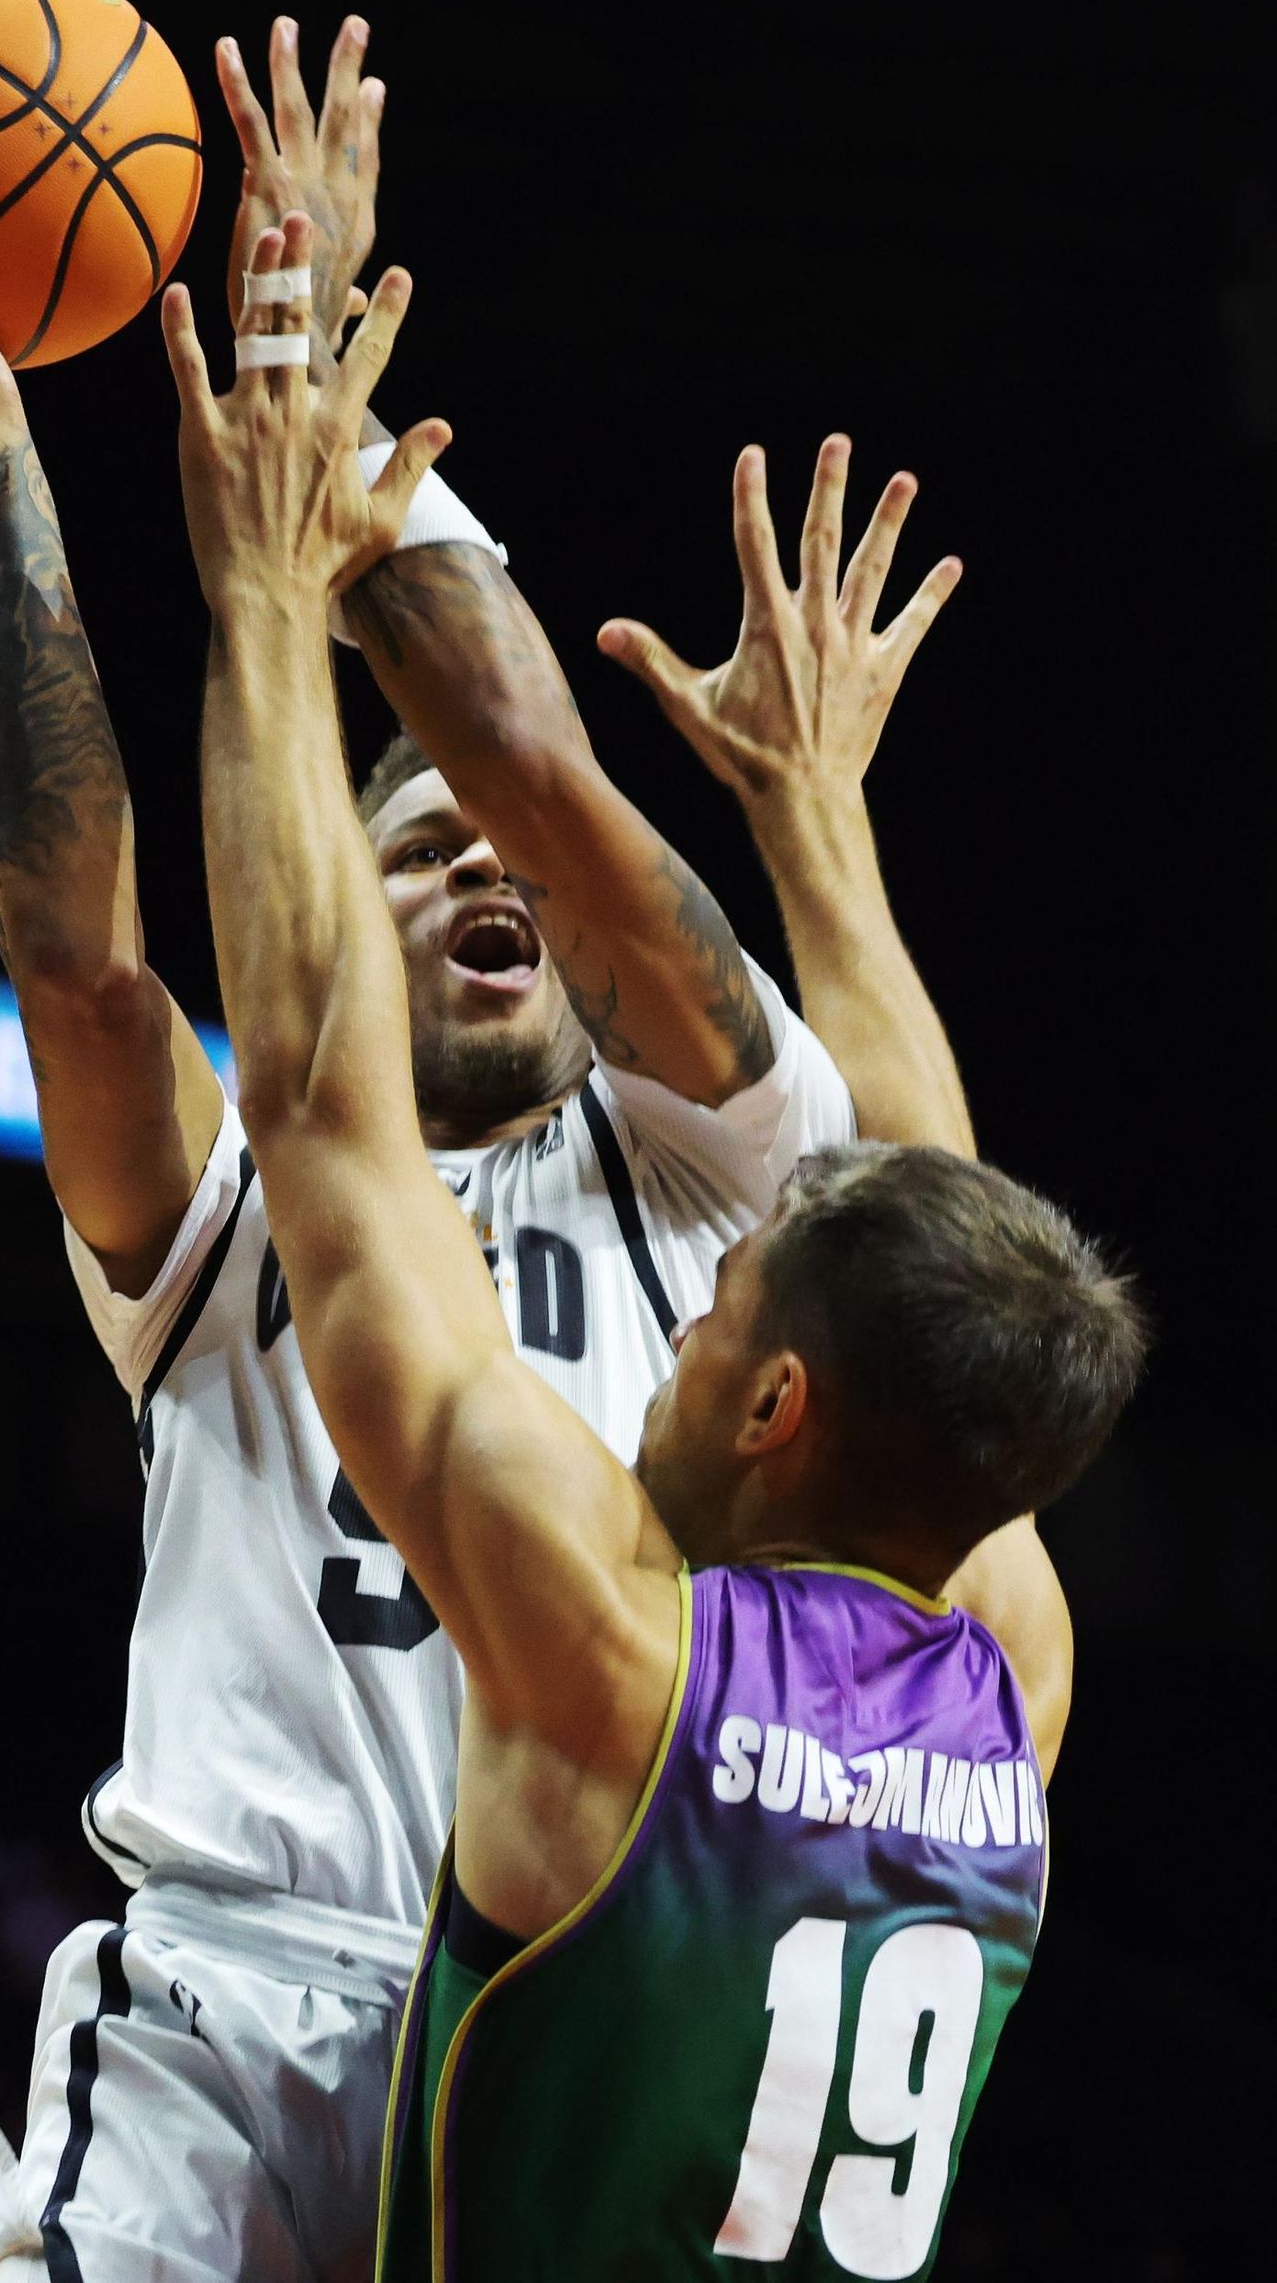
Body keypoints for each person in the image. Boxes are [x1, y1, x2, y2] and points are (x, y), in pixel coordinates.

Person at [0, 22, 1045, 2281]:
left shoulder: (725, 1185)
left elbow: (539, 768)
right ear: (325, 911)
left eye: (501, 864)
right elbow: (79, 954)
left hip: (583, 1983)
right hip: (242, 2008)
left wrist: (302, 414)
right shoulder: (239, 1185)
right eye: (408, 845)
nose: (480, 869)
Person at [165, 211, 1146, 2282]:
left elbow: (322, 1108)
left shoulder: (614, 1660)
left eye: (717, 1311)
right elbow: (929, 1216)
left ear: (781, 1402)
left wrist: (261, 587)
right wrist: (810, 810)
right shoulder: (1012, 1683)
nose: (686, 1316)